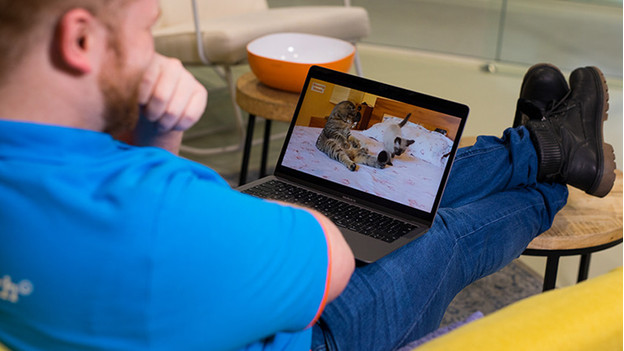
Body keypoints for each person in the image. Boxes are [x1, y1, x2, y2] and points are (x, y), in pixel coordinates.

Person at [0, 0, 616, 350]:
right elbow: (331, 257)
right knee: (439, 231)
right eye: (144, 29)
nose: (154, 53)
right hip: (318, 335)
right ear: (80, 38)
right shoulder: (159, 212)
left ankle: (538, 146)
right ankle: (549, 179)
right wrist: (302, 204)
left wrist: (155, 142)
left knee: (389, 191)